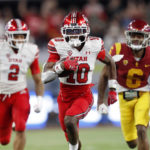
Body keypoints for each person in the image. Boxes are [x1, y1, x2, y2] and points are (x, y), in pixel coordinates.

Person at [42, 11, 116, 150]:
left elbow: (110, 62)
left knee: (70, 121)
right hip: (64, 97)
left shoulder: (93, 45)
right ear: (64, 32)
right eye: (70, 31)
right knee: (71, 137)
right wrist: (61, 66)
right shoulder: (58, 45)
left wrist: (112, 88)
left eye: (78, 31)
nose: (74, 35)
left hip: (84, 95)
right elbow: (45, 77)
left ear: (86, 31)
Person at [97, 19, 150, 150]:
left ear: (146, 37)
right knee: (131, 143)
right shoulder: (118, 49)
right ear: (128, 35)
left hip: (144, 94)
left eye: (139, 35)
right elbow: (104, 75)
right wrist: (100, 102)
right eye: (133, 35)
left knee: (141, 129)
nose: (136, 38)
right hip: (124, 96)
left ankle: (143, 124)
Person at [0, 19, 44, 150]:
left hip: (20, 93)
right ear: (8, 36)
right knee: (4, 141)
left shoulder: (31, 50)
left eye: (22, 36)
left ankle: (16, 121)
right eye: (16, 36)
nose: (19, 39)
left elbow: (37, 78)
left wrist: (40, 99)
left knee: (20, 127)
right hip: (1, 96)